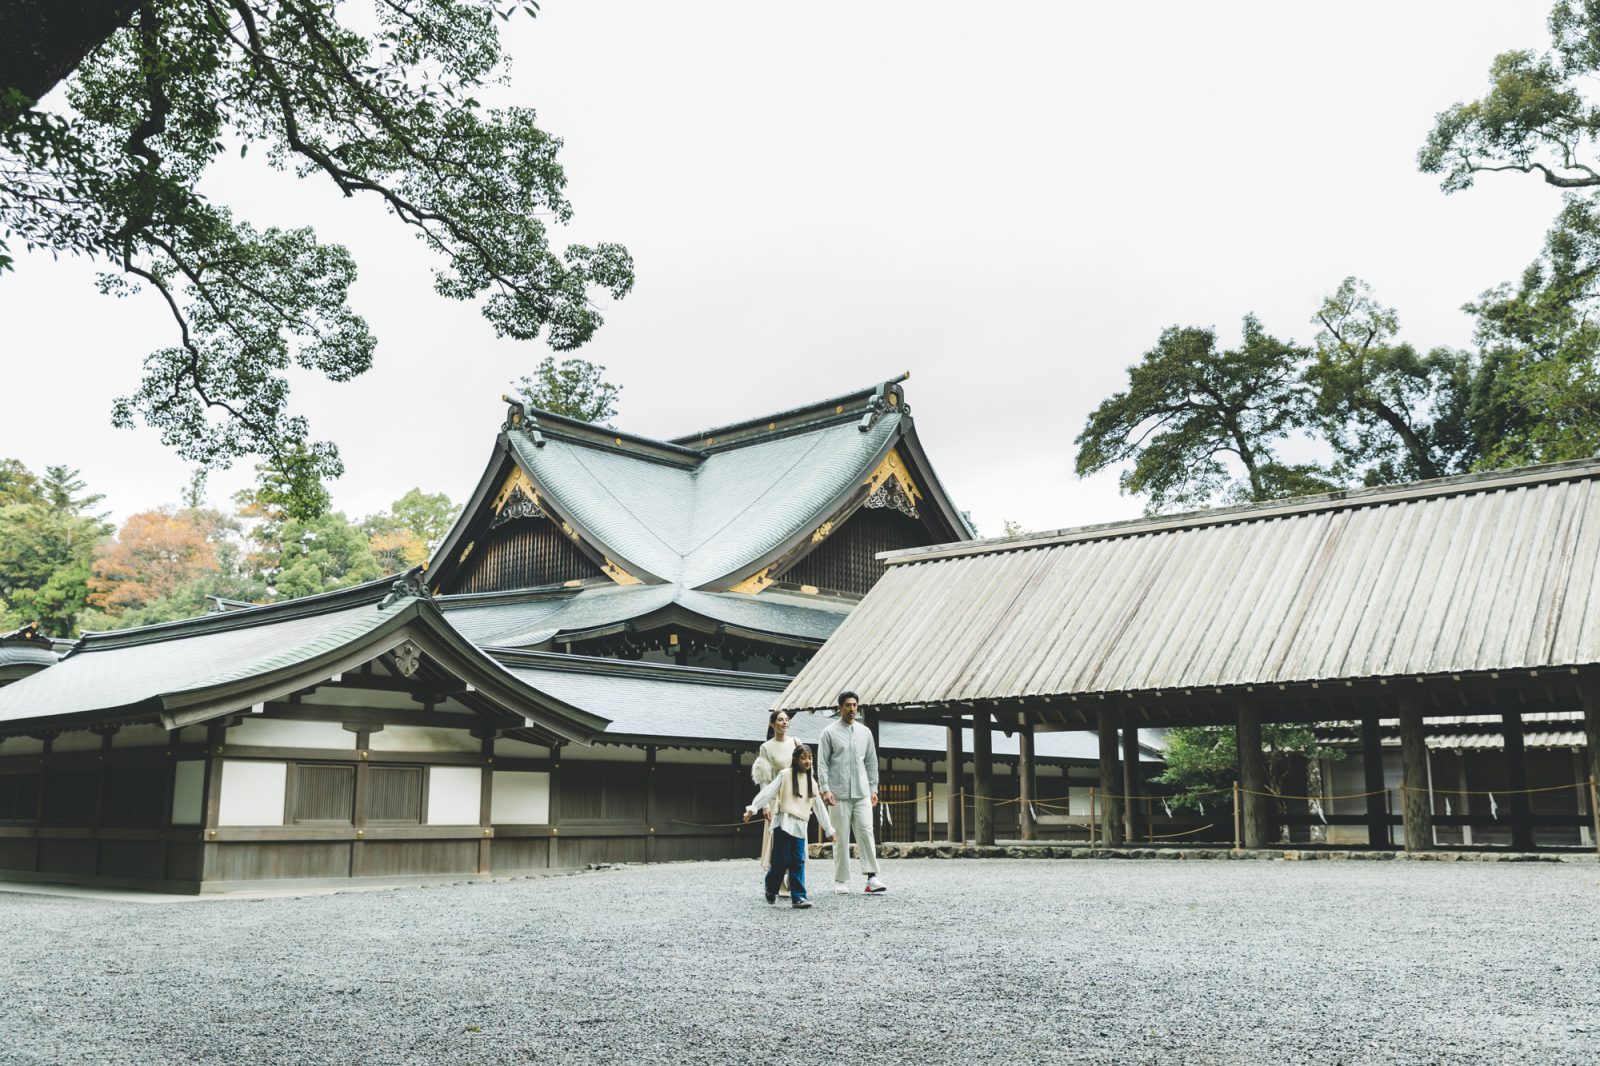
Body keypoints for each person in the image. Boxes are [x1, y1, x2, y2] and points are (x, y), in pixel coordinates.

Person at [743, 745, 833, 908]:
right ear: (796, 759)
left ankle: (798, 897)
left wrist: (828, 829)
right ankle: (771, 887)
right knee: (781, 861)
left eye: (810, 758)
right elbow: (768, 792)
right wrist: (753, 808)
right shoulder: (784, 775)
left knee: (798, 860)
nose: (807, 761)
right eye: (804, 758)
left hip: (800, 826)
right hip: (783, 824)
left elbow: (818, 806)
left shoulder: (811, 781)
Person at [817, 690, 887, 894]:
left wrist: (874, 788)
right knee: (840, 837)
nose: (852, 709)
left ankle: (872, 877)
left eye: (855, 705)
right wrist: (824, 789)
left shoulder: (865, 732)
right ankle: (841, 880)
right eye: (848, 705)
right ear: (839, 708)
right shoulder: (828, 733)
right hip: (837, 794)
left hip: (862, 792)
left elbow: (872, 762)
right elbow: (822, 764)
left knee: (866, 833)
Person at [752, 710, 803, 889]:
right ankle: (778, 882)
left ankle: (794, 880)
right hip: (775, 799)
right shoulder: (766, 747)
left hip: (795, 796)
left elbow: (803, 771)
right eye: (780, 720)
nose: (784, 723)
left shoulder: (796, 743)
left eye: (786, 720)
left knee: (795, 838)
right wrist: (764, 804)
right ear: (772, 724)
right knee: (777, 840)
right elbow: (763, 778)